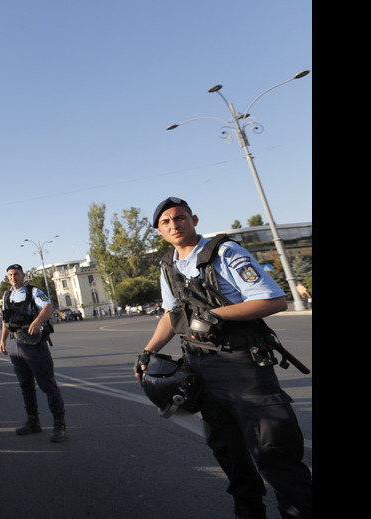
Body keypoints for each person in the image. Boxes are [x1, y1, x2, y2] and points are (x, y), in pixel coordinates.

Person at [134, 197, 311, 519]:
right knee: (228, 451)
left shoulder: (225, 252)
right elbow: (172, 314)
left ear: (194, 219)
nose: (174, 225)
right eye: (166, 222)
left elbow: (273, 300)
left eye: (180, 218)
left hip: (243, 366)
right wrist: (148, 351)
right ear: (159, 230)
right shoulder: (168, 264)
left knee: (275, 452)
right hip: (200, 368)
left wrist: (215, 315)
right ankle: (248, 512)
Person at [0, 264, 66, 442]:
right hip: (15, 345)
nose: (13, 277)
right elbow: (5, 321)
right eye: (10, 275)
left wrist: (37, 322)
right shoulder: (7, 295)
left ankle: (60, 426)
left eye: (17, 274)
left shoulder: (33, 292)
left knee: (47, 384)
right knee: (25, 385)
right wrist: (2, 340)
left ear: (24, 275)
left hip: (33, 344)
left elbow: (48, 308)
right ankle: (33, 422)